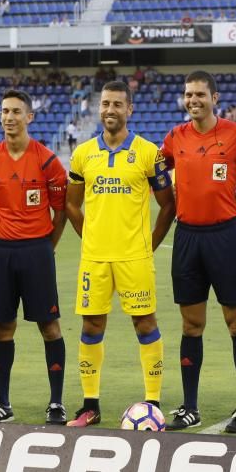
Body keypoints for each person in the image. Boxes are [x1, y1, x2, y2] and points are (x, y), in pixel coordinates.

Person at [64, 81, 176, 427]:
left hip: (134, 258)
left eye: (117, 104)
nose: (109, 110)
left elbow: (168, 204)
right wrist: (90, 236)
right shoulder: (83, 154)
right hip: (95, 258)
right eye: (105, 104)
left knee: (145, 324)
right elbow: (71, 202)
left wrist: (150, 244)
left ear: (130, 110)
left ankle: (153, 402)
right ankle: (90, 406)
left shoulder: (148, 153)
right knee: (91, 325)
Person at [158, 71, 236, 433]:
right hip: (186, 237)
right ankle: (190, 407)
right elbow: (156, 172)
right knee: (191, 324)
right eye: (188, 94)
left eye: (200, 94)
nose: (193, 100)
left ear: (215, 97)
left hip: (224, 238)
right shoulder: (175, 137)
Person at [0, 90, 70, 425]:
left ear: (30, 117)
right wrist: (6, 232)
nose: (9, 117)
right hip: (0, 251)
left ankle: (56, 403)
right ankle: (2, 401)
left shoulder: (47, 161)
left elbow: (61, 213)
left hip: (37, 251)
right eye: (4, 111)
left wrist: (47, 247)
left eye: (16, 111)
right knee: (3, 328)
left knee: (49, 326)